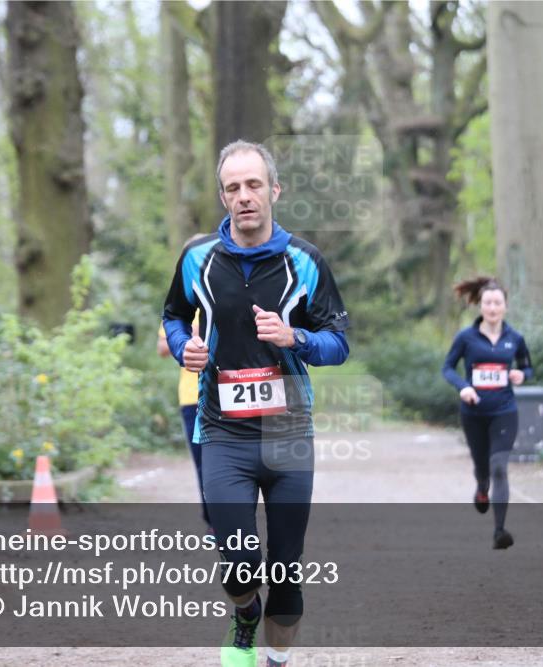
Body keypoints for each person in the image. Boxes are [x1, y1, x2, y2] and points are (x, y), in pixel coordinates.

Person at [162, 140, 350, 667]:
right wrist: (183, 347)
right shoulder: (198, 259)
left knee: (286, 574)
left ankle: (275, 661)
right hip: (223, 432)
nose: (244, 196)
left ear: (274, 190)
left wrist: (297, 338)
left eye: (253, 185)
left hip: (289, 434)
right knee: (239, 558)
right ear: (223, 198)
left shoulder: (306, 261)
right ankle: (245, 614)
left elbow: (339, 343)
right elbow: (173, 315)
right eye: (233, 188)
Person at [441, 276, 533, 550]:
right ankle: (482, 488)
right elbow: (447, 368)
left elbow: (527, 367)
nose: (492, 308)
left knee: (499, 467)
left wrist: (521, 375)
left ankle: (499, 531)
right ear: (480, 306)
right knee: (483, 469)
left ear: (505, 306)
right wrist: (464, 387)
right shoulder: (466, 337)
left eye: (497, 303)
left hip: (505, 411)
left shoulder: (515, 338)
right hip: (473, 414)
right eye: (488, 303)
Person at [158, 305, 208, 528]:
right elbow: (162, 346)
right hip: (192, 397)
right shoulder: (184, 307)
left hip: (229, 393)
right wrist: (193, 333)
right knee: (203, 463)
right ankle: (213, 522)